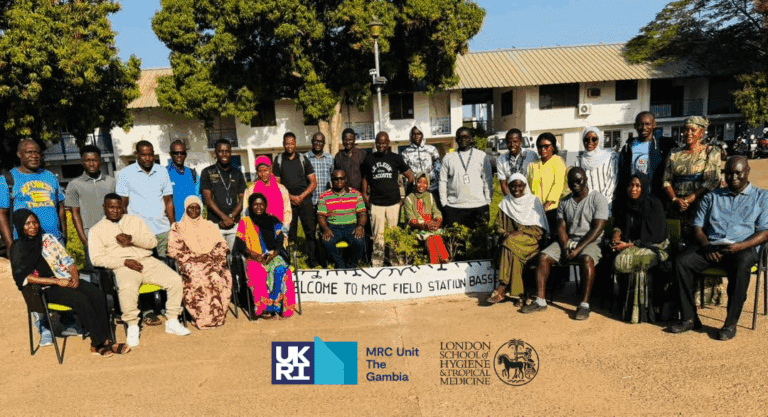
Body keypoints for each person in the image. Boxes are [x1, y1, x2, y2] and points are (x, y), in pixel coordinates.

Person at [668, 156, 768, 341]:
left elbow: (765, 231)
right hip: (712, 247)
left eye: (738, 172)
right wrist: (706, 246)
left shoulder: (762, 197)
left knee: (742, 264)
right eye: (729, 173)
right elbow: (697, 227)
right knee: (682, 262)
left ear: (747, 171)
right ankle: (690, 318)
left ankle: (730, 324)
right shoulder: (712, 197)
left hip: (743, 248)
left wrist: (740, 246)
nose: (733, 177)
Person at [10, 209, 130, 357]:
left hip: (66, 278)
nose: (32, 226)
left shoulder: (48, 239)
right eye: (27, 223)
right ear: (19, 225)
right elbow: (25, 277)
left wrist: (75, 277)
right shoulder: (18, 248)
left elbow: (68, 261)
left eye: (35, 222)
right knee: (80, 299)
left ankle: (107, 340)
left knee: (97, 294)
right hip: (45, 288)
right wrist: (56, 281)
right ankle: (98, 344)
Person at [89, 193, 190, 347]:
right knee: (127, 287)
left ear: (123, 207)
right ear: (104, 208)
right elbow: (96, 258)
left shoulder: (135, 221)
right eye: (111, 207)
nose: (115, 210)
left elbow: (152, 242)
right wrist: (123, 261)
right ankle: (132, 325)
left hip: (147, 261)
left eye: (118, 207)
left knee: (175, 280)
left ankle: (172, 320)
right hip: (123, 265)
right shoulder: (96, 230)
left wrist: (132, 239)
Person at [0, 139, 68, 346]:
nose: (34, 155)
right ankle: (43, 324)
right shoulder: (8, 180)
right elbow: (2, 214)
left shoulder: (50, 177)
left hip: (54, 242)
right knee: (33, 285)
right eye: (29, 152)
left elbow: (60, 206)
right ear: (19, 154)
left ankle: (66, 316)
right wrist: (11, 245)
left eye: (37, 152)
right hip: (26, 244)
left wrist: (63, 235)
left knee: (60, 278)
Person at [521, 168, 609, 320]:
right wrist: (565, 247)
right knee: (543, 257)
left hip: (591, 241)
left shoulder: (598, 199)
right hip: (569, 241)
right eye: (571, 181)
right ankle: (540, 301)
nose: (575, 184)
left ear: (586, 179)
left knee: (587, 259)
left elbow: (597, 229)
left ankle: (584, 305)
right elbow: (561, 227)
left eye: (578, 180)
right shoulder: (564, 201)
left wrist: (578, 249)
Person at [610, 173, 668, 324]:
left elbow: (656, 236)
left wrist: (629, 245)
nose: (633, 189)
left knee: (623, 260)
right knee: (617, 254)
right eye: (631, 185)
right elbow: (619, 224)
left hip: (655, 247)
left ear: (644, 187)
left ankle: (643, 310)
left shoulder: (654, 204)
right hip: (632, 245)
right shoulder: (624, 204)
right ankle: (632, 309)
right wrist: (616, 236)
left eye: (637, 186)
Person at [168, 196, 232, 329]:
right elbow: (174, 250)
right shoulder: (177, 227)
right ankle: (202, 318)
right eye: (190, 208)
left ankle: (216, 315)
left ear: (201, 210)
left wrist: (210, 257)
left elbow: (222, 244)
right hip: (190, 263)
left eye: (197, 208)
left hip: (210, 260)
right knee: (197, 276)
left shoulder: (209, 225)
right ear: (185, 209)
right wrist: (194, 258)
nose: (193, 211)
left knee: (216, 275)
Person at [487, 174, 548, 306]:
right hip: (511, 242)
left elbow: (540, 229)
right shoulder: (505, 203)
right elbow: (497, 225)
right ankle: (520, 295)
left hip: (530, 241)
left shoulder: (533, 201)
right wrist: (505, 233)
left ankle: (502, 286)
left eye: (520, 186)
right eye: (513, 186)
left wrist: (519, 233)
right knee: (513, 251)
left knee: (509, 243)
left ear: (525, 186)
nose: (516, 189)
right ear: (508, 187)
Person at [235, 193, 297, 319]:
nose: (259, 207)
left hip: (273, 254)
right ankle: (264, 308)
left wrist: (273, 254)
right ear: (250, 206)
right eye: (255, 204)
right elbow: (239, 244)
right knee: (258, 273)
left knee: (281, 271)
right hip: (254, 257)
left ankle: (280, 307)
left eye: (261, 204)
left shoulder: (273, 220)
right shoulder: (245, 222)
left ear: (265, 205)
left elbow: (280, 240)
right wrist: (254, 255)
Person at [362, 132, 415, 266]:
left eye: (383, 143)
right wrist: (365, 195)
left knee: (394, 237)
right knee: (378, 237)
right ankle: (377, 264)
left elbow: (410, 176)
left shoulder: (396, 158)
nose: (381, 145)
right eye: (378, 142)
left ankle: (396, 263)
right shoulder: (369, 159)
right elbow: (365, 179)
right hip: (376, 203)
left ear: (388, 143)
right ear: (375, 143)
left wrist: (405, 197)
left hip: (393, 203)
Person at [116, 140, 175, 260]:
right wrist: (126, 229)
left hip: (162, 231)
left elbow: (168, 201)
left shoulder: (162, 171)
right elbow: (122, 205)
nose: (148, 158)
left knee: (167, 265)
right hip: (139, 234)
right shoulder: (125, 174)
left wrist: (173, 226)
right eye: (143, 155)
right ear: (136, 154)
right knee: (145, 266)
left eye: (150, 154)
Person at [662, 116, 721, 235]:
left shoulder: (710, 152)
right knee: (675, 236)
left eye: (693, 130)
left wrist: (691, 198)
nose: (688, 133)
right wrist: (674, 199)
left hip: (701, 204)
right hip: (677, 205)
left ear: (701, 132)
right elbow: (666, 180)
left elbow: (712, 180)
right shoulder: (674, 153)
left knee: (698, 236)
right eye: (686, 129)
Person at [66, 145, 117, 279]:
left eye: (94, 160)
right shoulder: (74, 185)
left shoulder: (111, 182)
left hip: (112, 233)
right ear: (82, 162)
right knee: (98, 274)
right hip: (90, 235)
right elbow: (75, 213)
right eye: (88, 160)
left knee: (117, 271)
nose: (91, 163)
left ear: (100, 161)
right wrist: (83, 239)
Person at [272, 132, 319, 267]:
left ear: (295, 143)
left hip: (305, 201)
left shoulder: (303, 159)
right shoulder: (279, 160)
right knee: (289, 234)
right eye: (287, 143)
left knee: (310, 231)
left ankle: (313, 260)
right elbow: (277, 185)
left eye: (292, 143)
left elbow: (313, 182)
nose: (289, 146)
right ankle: (290, 262)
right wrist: (291, 197)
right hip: (288, 202)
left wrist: (301, 197)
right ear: (283, 144)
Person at [439, 127, 493, 228]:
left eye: (466, 137)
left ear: (471, 139)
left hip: (478, 205)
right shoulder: (448, 158)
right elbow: (442, 181)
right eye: (460, 137)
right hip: (454, 206)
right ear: (456, 140)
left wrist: (487, 201)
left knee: (479, 237)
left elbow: (488, 179)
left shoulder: (481, 156)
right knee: (454, 237)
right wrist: (444, 203)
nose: (463, 140)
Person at [200, 139, 247, 250]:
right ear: (216, 153)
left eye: (227, 151)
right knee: (217, 258)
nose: (224, 154)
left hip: (234, 224)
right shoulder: (207, 172)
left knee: (235, 257)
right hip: (215, 224)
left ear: (231, 153)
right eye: (221, 151)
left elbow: (243, 198)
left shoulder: (237, 173)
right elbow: (207, 199)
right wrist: (224, 217)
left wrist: (230, 217)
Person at [617, 111, 676, 199]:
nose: (644, 127)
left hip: (656, 195)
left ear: (654, 125)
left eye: (647, 124)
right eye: (640, 124)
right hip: (635, 195)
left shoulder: (664, 145)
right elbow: (622, 175)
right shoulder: (627, 147)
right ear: (635, 126)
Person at [317, 169, 368, 269]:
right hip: (333, 227)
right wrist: (326, 228)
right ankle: (340, 265)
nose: (339, 181)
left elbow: (362, 213)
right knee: (327, 241)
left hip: (351, 226)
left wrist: (360, 226)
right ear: (331, 180)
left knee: (360, 241)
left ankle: (352, 265)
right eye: (336, 179)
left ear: (346, 180)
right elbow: (321, 216)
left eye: (342, 178)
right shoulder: (325, 196)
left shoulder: (356, 194)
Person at [403, 172, 450, 264]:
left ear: (427, 185)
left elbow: (437, 213)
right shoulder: (409, 198)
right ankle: (443, 259)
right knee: (430, 237)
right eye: (419, 182)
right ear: (415, 183)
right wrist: (424, 226)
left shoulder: (431, 196)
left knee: (433, 236)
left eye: (424, 183)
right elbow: (411, 220)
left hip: (431, 227)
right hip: (417, 229)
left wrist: (437, 223)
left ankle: (436, 262)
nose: (421, 185)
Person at [527, 133, 567, 234]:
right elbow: (528, 186)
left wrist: (546, 205)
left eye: (546, 146)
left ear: (553, 147)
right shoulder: (532, 165)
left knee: (552, 236)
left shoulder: (558, 162)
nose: (543, 149)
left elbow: (557, 185)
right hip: (535, 209)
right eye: (540, 147)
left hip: (552, 209)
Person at [305, 132, 334, 267]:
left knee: (326, 231)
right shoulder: (305, 158)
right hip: (309, 202)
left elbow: (333, 178)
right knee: (311, 233)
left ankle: (326, 259)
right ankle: (313, 260)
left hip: (325, 204)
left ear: (324, 143)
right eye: (315, 141)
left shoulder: (329, 158)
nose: (318, 143)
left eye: (320, 141)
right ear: (312, 141)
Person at [575, 127, 619, 211]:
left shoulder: (610, 158)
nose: (590, 142)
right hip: (587, 205)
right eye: (586, 139)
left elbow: (613, 181)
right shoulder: (579, 162)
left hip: (607, 204)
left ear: (599, 140)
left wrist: (601, 201)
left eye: (594, 139)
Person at [244, 156, 292, 231]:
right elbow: (246, 211)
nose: (263, 174)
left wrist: (284, 229)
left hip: (278, 229)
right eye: (260, 171)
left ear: (270, 169)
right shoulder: (251, 190)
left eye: (265, 170)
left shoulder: (281, 189)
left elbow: (287, 210)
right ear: (256, 172)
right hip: (257, 230)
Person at [401, 126, 442, 196]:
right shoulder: (406, 152)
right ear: (411, 136)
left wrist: (436, 182)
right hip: (414, 188)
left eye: (419, 134)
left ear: (422, 135)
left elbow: (438, 167)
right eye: (414, 134)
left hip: (431, 187)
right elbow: (405, 171)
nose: (416, 136)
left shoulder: (431, 149)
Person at [497, 129, 538, 196]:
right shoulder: (501, 159)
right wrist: (510, 199)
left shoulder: (531, 155)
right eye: (509, 142)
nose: (512, 145)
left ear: (521, 142)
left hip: (529, 197)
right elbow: (503, 184)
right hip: (511, 197)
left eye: (515, 141)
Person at [167, 140, 200, 223]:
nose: (179, 156)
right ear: (170, 154)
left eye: (182, 153)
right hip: (173, 223)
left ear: (186, 155)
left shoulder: (193, 173)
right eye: (176, 153)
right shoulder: (164, 173)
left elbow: (199, 198)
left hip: (192, 223)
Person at [334, 128, 367, 193]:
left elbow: (366, 176)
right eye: (345, 140)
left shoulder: (362, 154)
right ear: (342, 140)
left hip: (359, 193)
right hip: (344, 193)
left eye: (350, 140)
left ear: (354, 140)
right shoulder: (338, 156)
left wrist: (364, 192)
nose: (347, 142)